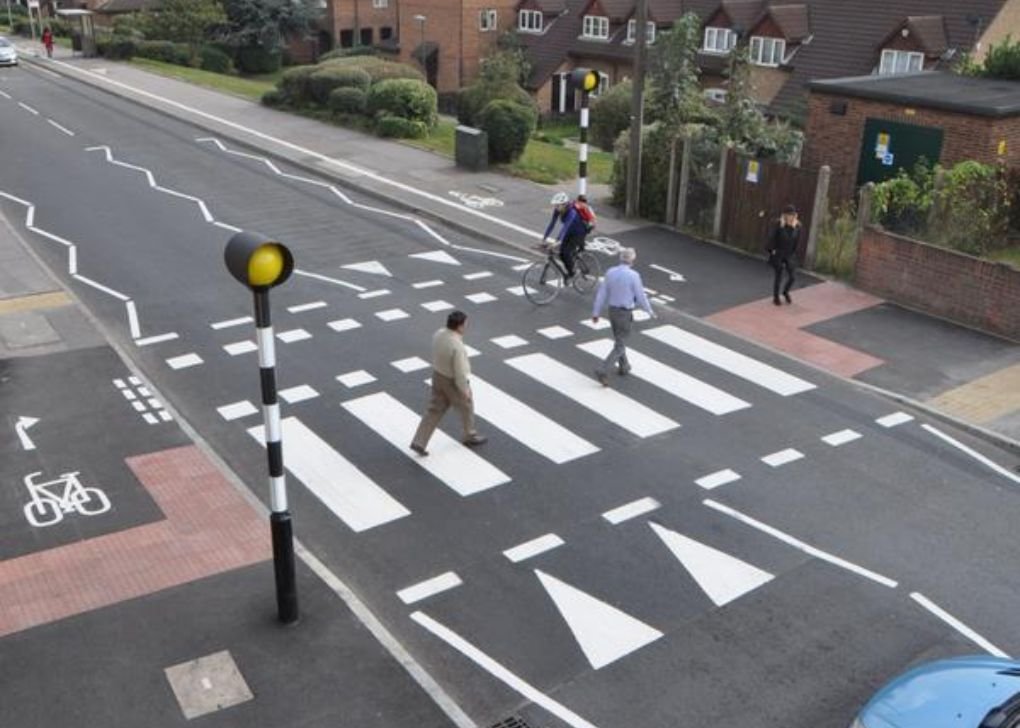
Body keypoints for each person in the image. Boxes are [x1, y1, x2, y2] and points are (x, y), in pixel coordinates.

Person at [410, 310, 487, 456]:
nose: (466, 327)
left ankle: (419, 441)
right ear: (459, 326)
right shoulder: (457, 346)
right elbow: (460, 373)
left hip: (438, 375)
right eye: (465, 324)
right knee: (466, 406)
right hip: (451, 381)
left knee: (434, 410)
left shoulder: (439, 333)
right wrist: (465, 391)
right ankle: (469, 435)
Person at [591, 247, 655, 386]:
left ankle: (624, 366)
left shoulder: (610, 272)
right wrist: (649, 310)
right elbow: (640, 296)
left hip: (612, 311)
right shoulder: (634, 276)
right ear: (632, 260)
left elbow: (601, 293)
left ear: (620, 258)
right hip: (625, 313)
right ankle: (603, 369)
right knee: (620, 345)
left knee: (619, 340)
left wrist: (596, 312)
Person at [542, 192, 591, 279]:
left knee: (566, 252)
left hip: (579, 232)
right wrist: (544, 238)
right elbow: (552, 224)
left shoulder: (572, 212)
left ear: (564, 204)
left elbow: (565, 227)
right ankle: (570, 268)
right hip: (570, 231)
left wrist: (559, 241)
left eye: (557, 205)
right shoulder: (558, 210)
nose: (555, 207)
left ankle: (573, 273)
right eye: (555, 205)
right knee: (561, 253)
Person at [767, 204, 800, 305]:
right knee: (779, 275)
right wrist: (771, 251)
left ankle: (785, 292)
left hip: (789, 254)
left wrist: (794, 254)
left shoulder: (797, 226)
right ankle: (776, 297)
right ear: (785, 215)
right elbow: (771, 238)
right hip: (778, 253)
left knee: (792, 277)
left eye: (793, 215)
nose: (792, 217)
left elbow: (797, 241)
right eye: (789, 215)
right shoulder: (778, 224)